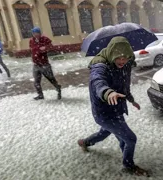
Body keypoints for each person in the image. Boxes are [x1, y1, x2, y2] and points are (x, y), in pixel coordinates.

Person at [78, 37, 149, 177]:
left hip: (117, 108)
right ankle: (128, 165)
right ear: (111, 54)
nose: (122, 61)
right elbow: (98, 81)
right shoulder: (100, 65)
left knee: (105, 132)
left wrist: (130, 99)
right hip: (103, 112)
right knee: (129, 138)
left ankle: (84, 142)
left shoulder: (126, 64)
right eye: (118, 58)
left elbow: (124, 85)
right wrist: (107, 92)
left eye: (125, 58)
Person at [29, 27, 61, 100]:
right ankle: (40, 95)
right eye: (34, 33)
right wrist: (34, 57)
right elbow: (32, 50)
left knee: (51, 79)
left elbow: (51, 47)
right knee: (36, 81)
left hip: (44, 64)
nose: (35, 35)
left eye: (37, 33)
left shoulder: (45, 39)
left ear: (40, 33)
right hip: (36, 64)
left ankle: (58, 88)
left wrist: (45, 48)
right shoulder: (31, 41)